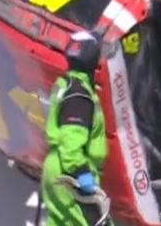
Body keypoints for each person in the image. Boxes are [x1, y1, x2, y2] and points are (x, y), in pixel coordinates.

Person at [42, 30, 109, 226]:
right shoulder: (79, 94)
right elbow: (71, 144)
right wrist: (82, 175)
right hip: (72, 174)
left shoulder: (65, 85)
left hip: (56, 168)